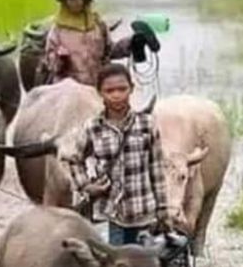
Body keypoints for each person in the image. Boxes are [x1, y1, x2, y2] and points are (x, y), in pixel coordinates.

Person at [66, 63, 169, 246]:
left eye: (122, 89)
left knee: (142, 264)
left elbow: (157, 168)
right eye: (109, 90)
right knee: (115, 265)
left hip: (143, 210)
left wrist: (162, 207)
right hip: (109, 212)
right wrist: (86, 186)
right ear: (100, 93)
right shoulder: (92, 127)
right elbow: (74, 159)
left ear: (132, 89)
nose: (116, 95)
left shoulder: (147, 124)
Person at [41, 0, 157, 87]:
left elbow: (110, 51)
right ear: (65, 1)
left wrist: (131, 43)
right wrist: (60, 58)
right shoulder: (58, 29)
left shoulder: (98, 25)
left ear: (85, 1)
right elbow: (51, 66)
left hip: (98, 83)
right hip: (67, 87)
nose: (75, 2)